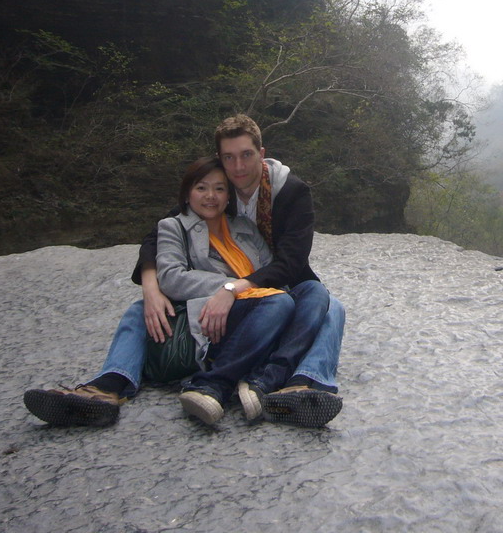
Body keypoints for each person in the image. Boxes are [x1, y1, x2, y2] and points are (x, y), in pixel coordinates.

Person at [23, 157, 295, 427]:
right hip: (210, 314)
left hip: (249, 310)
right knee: (139, 310)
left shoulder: (245, 228)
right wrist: (232, 287)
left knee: (279, 303)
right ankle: (108, 387)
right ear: (187, 194)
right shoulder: (173, 227)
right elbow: (173, 278)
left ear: (228, 197)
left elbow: (269, 272)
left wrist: (237, 288)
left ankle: (218, 380)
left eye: (220, 189)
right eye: (201, 188)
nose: (210, 196)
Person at [135, 114, 345, 428]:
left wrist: (233, 288)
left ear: (261, 154)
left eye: (246, 155)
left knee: (325, 301)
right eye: (229, 158)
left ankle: (295, 383)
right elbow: (164, 230)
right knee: (322, 309)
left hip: (281, 279)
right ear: (220, 159)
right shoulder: (219, 188)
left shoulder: (291, 191)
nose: (238, 167)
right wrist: (151, 286)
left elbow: (292, 262)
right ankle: (269, 381)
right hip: (251, 292)